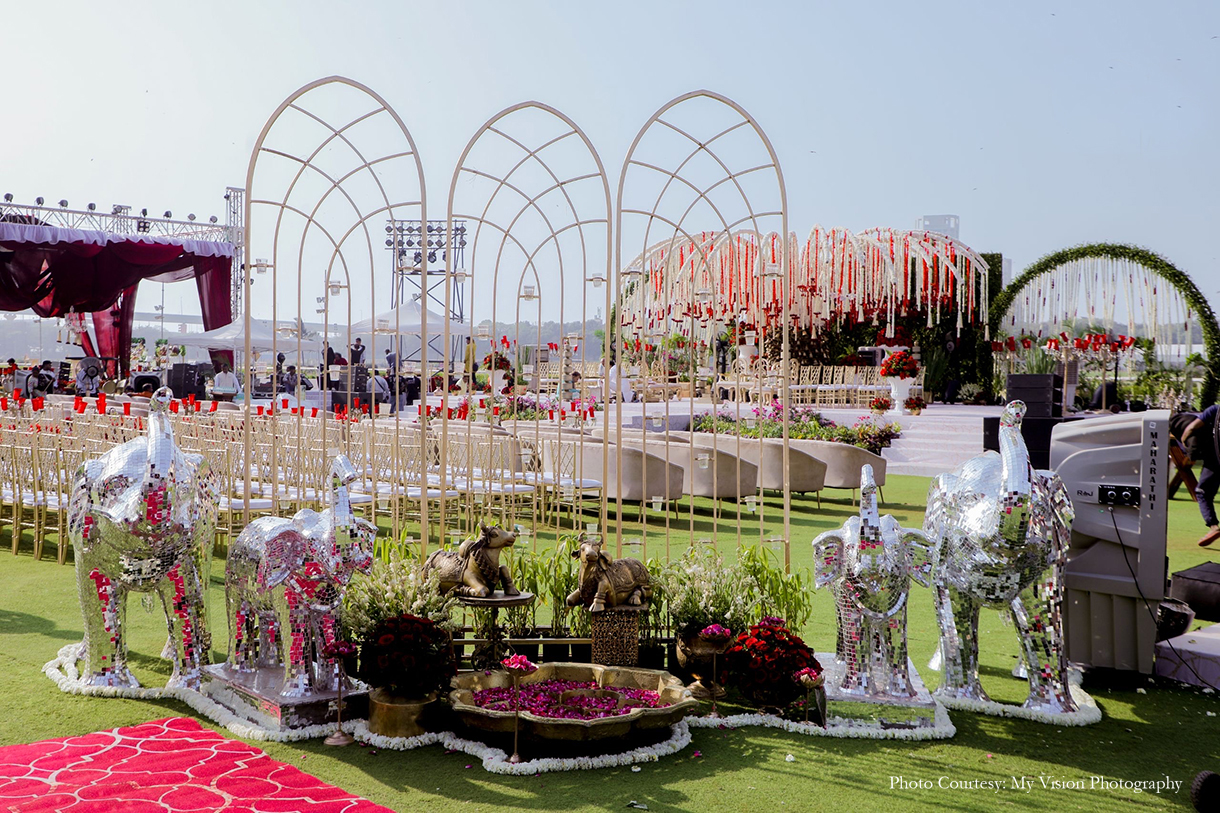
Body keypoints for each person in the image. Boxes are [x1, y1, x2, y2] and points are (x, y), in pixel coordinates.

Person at [1172, 405, 1220, 547]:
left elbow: (1192, 427)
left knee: (1203, 493)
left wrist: (1184, 440)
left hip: (1216, 459)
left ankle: (1213, 527)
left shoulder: (1215, 410)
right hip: (1214, 459)